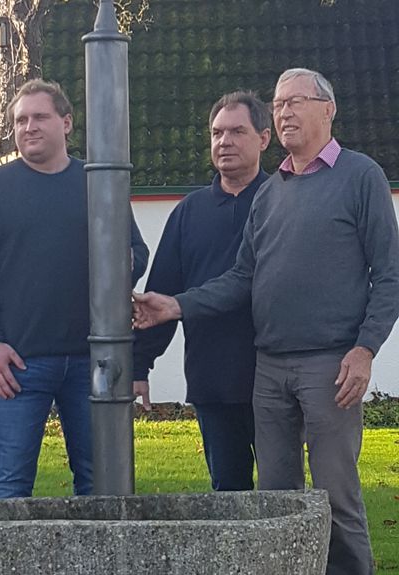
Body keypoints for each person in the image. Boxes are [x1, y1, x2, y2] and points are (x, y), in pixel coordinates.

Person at [133, 68, 399, 575]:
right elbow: (242, 278)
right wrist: (176, 305)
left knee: (336, 497)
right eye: (278, 104)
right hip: (270, 368)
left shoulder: (360, 176)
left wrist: (365, 349)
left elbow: (389, 274)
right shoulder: (271, 191)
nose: (284, 112)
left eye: (296, 101)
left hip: (331, 365)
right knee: (276, 504)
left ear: (328, 109)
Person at [0, 78, 148, 499]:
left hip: (94, 360)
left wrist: (126, 264)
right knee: (10, 483)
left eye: (40, 117)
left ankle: (96, 547)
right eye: (20, 120)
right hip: (18, 362)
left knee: (100, 482)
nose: (29, 127)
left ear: (67, 122)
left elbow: (135, 250)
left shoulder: (99, 182)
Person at [133, 91, 271, 491]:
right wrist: (140, 365)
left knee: (281, 493)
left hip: (274, 377)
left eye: (237, 132)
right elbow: (161, 296)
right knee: (227, 493)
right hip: (213, 378)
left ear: (264, 138)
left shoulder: (282, 202)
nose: (224, 141)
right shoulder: (188, 212)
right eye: (216, 133)